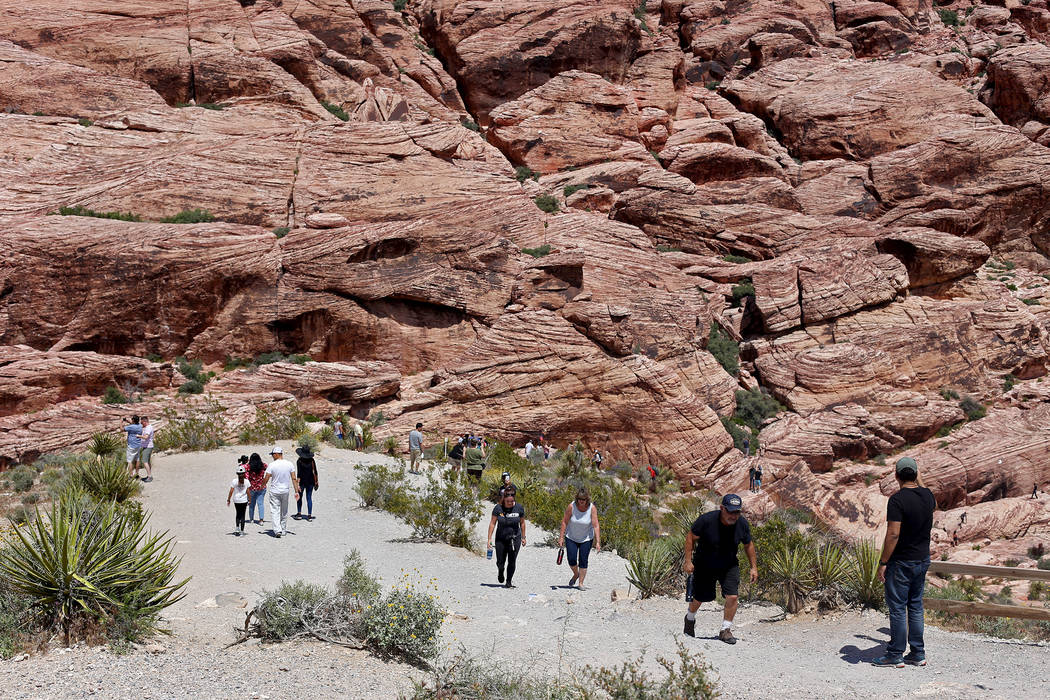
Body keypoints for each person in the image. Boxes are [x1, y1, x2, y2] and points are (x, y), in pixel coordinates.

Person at [872, 457, 936, 668]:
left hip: (901, 562)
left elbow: (893, 534)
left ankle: (895, 654)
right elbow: (926, 492)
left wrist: (883, 562)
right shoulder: (928, 496)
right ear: (916, 474)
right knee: (915, 606)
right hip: (922, 559)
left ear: (897, 476)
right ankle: (917, 653)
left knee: (898, 608)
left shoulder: (897, 500)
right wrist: (919, 477)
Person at [683, 494, 758, 645]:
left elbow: (748, 544)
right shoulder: (706, 520)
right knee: (700, 598)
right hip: (705, 564)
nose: (733, 515)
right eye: (730, 511)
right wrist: (688, 561)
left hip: (728, 565)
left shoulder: (742, 524)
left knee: (733, 596)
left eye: (737, 512)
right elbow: (691, 537)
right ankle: (690, 618)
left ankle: (725, 630)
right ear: (722, 508)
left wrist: (753, 567)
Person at [559, 488, 601, 590]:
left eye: (583, 500)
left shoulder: (592, 508)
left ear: (587, 500)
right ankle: (575, 574)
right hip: (571, 537)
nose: (581, 502)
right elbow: (564, 521)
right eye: (579, 499)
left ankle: (581, 583)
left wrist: (598, 541)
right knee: (571, 559)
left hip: (586, 538)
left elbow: (596, 525)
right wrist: (561, 537)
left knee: (583, 560)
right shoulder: (571, 506)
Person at [486, 487, 526, 588]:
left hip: (514, 538)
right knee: (500, 561)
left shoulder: (519, 508)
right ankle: (500, 570)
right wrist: (489, 539)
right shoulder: (498, 508)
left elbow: (522, 523)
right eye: (508, 501)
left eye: (512, 501)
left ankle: (509, 582)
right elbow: (492, 523)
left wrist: (524, 537)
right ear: (504, 498)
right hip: (501, 538)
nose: (510, 503)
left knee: (512, 561)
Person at [263, 446, 299, 538]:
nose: (272, 456)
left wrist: (262, 485)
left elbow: (266, 478)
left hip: (274, 491)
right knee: (284, 510)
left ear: (276, 454)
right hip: (285, 491)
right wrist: (296, 491)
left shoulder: (272, 465)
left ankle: (277, 530)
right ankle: (283, 529)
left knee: (275, 510)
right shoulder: (289, 464)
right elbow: (294, 478)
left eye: (272, 455)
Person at [294, 445, 319, 521]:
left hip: (302, 482)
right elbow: (315, 471)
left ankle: (299, 513)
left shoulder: (299, 461)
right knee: (309, 498)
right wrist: (316, 481)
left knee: (299, 498)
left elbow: (299, 473)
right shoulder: (312, 460)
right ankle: (309, 515)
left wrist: (297, 484)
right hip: (310, 481)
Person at [227, 465, 250, 535]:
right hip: (244, 500)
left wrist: (228, 499)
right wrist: (250, 499)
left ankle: (237, 528)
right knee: (243, 515)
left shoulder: (234, 481)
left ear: (237, 474)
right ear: (244, 473)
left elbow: (231, 491)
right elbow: (248, 492)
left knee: (238, 514)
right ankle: (242, 531)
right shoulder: (246, 481)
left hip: (236, 500)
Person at [246, 453, 267, 524]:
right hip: (261, 487)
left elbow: (245, 475)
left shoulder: (248, 467)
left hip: (252, 487)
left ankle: (251, 519)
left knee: (251, 504)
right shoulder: (263, 465)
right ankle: (261, 520)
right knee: (260, 504)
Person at [138, 416, 155, 482]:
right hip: (148, 446)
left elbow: (146, 437)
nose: (142, 424)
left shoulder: (148, 428)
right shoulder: (148, 427)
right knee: (147, 461)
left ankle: (149, 476)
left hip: (148, 447)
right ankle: (149, 475)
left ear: (145, 422)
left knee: (144, 461)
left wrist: (138, 436)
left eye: (142, 422)